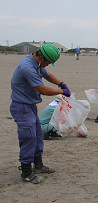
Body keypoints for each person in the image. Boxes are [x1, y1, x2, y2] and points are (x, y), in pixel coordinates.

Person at [10, 43, 71, 184]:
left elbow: (47, 75)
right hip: (22, 107)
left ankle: (38, 165)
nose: (49, 65)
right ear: (41, 58)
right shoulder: (27, 68)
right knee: (28, 138)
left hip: (30, 106)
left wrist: (61, 83)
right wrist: (62, 92)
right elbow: (43, 89)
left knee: (37, 136)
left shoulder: (36, 63)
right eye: (48, 62)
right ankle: (26, 172)